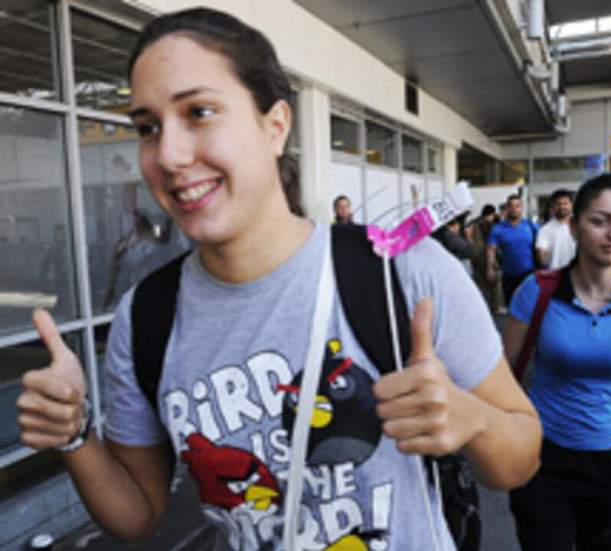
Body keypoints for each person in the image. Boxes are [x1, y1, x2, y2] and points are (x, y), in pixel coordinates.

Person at [15, 8, 541, 550]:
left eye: (199, 111)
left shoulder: (398, 271)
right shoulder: (148, 314)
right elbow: (137, 514)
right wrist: (74, 435)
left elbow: (520, 456)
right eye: (148, 127)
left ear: (276, 126)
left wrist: (471, 418)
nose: (168, 156)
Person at [502, 173, 611, 550]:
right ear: (575, 226)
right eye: (600, 220)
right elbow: (503, 377)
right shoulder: (536, 290)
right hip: (542, 458)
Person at [487, 194, 538, 305]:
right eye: (511, 206)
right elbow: (491, 249)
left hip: (529, 274)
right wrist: (490, 268)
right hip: (508, 275)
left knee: (529, 306)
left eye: (517, 206)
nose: (514, 209)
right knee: (512, 306)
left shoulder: (531, 226)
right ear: (507, 208)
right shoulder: (498, 229)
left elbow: (541, 247)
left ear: (521, 207)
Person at [469, 204, 504, 312]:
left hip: (476, 257)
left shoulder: (473, 223)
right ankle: (495, 306)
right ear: (492, 213)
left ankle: (480, 307)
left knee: (480, 283)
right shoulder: (493, 225)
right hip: (488, 256)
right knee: (495, 283)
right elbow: (495, 243)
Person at [535, 188, 576, 270]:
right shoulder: (545, 230)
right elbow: (542, 258)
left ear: (571, 205)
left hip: (578, 274)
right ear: (552, 206)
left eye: (565, 203)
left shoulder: (580, 225)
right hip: (555, 275)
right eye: (558, 204)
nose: (562, 207)